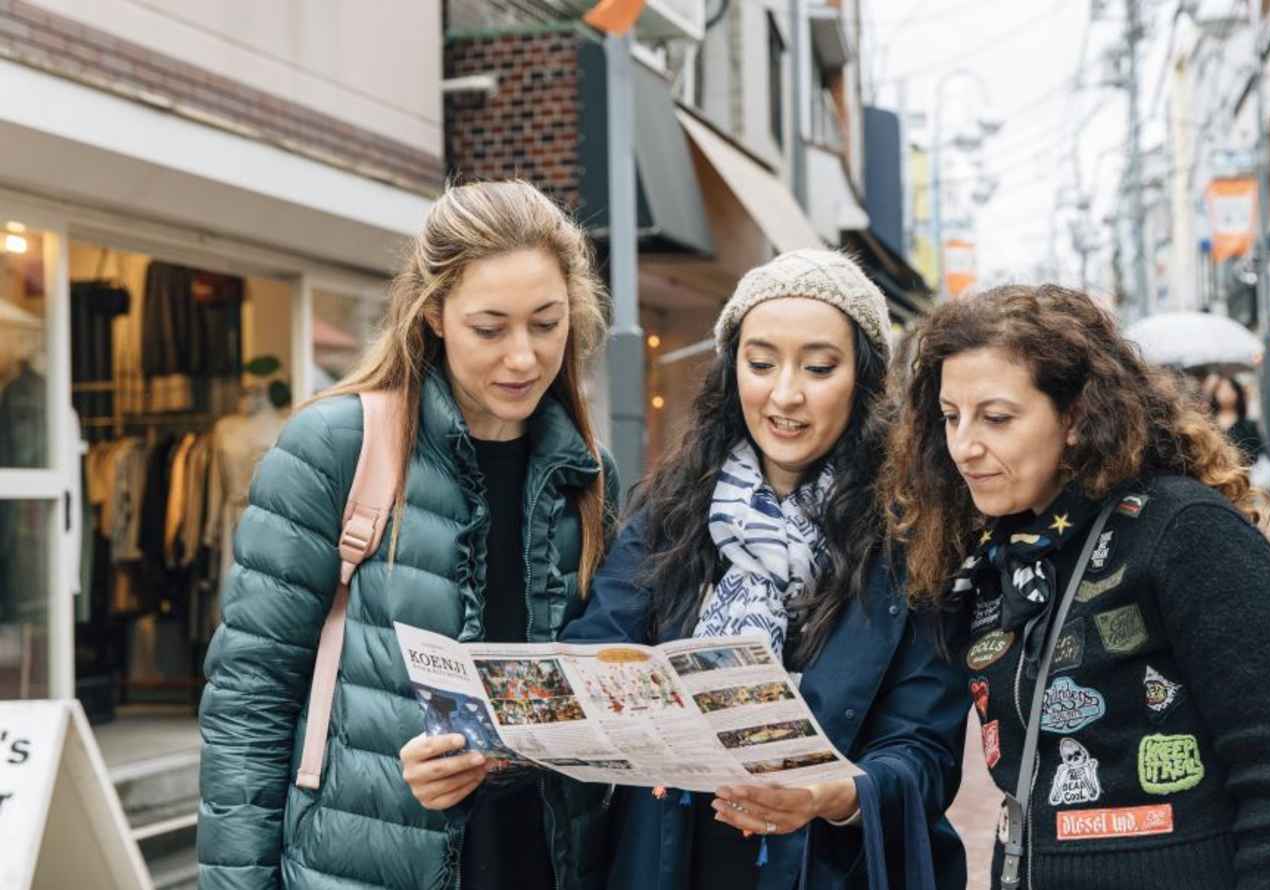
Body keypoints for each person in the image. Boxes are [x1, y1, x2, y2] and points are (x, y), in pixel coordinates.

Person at [197, 181, 619, 890]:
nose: (523, 358)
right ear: (433, 316)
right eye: (491, 328)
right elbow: (250, 693)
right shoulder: (335, 446)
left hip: (541, 865)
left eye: (547, 324)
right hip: (359, 866)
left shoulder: (588, 474)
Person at [880, 284, 1270, 890]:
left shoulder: (1184, 530)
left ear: (1074, 418)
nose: (964, 446)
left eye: (996, 417)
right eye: (950, 417)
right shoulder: (989, 554)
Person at [563, 250, 970, 888]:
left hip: (826, 868)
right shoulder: (669, 512)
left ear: (862, 380)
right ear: (732, 374)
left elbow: (924, 753)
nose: (785, 394)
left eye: (818, 367)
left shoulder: (913, 536)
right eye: (760, 364)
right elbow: (595, 652)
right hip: (670, 858)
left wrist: (828, 795)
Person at [1208, 374, 1265, 466]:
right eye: (1221, 389)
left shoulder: (1248, 425)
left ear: (1237, 393)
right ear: (1215, 394)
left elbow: (1258, 455)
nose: (1225, 393)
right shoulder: (1208, 424)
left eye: (1230, 389)